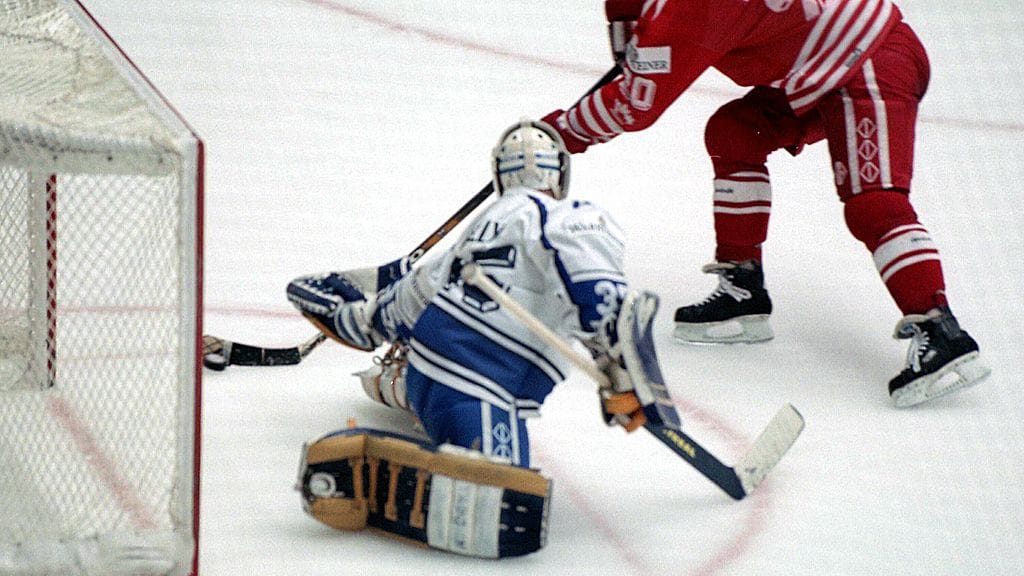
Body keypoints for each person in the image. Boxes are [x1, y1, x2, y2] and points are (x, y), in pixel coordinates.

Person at [540, 0, 990, 407]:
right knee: (735, 134)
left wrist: (558, 135)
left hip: (869, 60)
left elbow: (638, 103)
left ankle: (941, 330)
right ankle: (744, 290)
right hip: (821, 66)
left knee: (873, 202)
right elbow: (632, 26)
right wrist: (629, 38)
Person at [284, 119, 652, 558]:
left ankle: (400, 392)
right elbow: (601, 295)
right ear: (561, 175)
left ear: (500, 175)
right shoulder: (573, 215)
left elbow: (390, 311)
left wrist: (350, 313)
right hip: (482, 378)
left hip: (430, 370)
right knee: (510, 507)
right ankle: (366, 456)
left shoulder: (473, 238)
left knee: (487, 472)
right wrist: (631, 377)